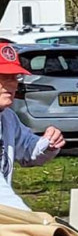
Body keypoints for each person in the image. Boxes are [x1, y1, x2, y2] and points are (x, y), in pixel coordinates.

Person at [0, 41, 64, 211]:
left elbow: (27, 150)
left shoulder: (7, 118)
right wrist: (31, 220)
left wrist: (48, 143)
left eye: (15, 77)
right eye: (4, 77)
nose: (13, 84)